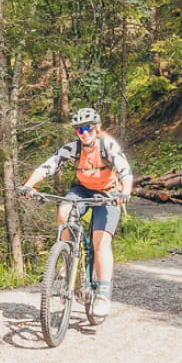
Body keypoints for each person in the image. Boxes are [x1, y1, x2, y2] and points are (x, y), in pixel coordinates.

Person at [21, 108, 134, 320]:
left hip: (108, 194)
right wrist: (29, 185)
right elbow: (49, 166)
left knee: (100, 243)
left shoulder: (107, 146)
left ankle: (102, 293)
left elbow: (125, 171)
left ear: (97, 128)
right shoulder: (73, 149)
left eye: (89, 128)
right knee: (64, 210)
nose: (85, 133)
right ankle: (67, 258)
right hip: (82, 190)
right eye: (80, 129)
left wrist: (124, 192)